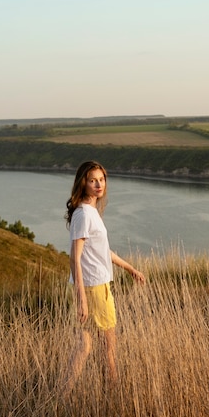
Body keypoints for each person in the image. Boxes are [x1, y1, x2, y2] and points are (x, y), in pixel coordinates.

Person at [62, 160, 145, 395]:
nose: (99, 184)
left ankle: (62, 397)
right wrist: (82, 298)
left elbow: (103, 251)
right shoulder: (84, 215)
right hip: (93, 288)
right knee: (105, 345)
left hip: (95, 286)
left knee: (86, 346)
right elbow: (74, 258)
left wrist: (130, 269)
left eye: (102, 179)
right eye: (92, 180)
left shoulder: (90, 212)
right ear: (83, 183)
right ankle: (113, 392)